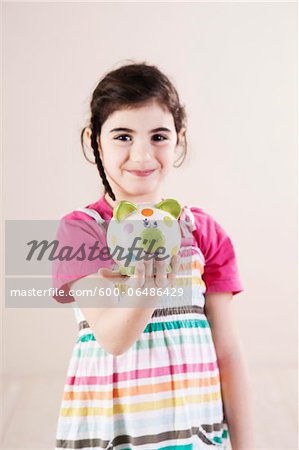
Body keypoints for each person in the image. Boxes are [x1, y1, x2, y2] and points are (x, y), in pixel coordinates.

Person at [52, 61, 255, 450]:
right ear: (94, 140)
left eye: (158, 136)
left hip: (193, 434)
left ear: (179, 139)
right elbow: (112, 338)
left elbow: (227, 350)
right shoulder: (81, 230)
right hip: (114, 432)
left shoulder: (202, 232)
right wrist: (147, 287)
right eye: (123, 136)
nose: (142, 155)